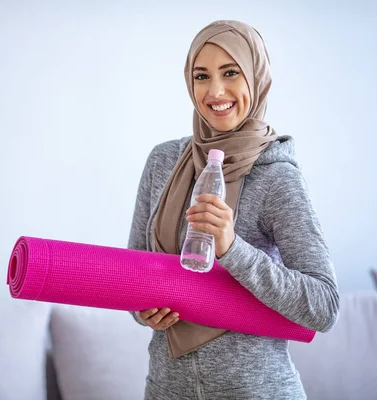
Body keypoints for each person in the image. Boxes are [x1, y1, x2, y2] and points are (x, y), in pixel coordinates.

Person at [127, 20, 340, 399]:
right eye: (201, 75)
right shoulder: (163, 162)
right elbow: (133, 274)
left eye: (230, 72)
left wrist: (232, 248)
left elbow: (322, 306)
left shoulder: (277, 175)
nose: (216, 91)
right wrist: (142, 308)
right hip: (166, 389)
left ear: (256, 78)